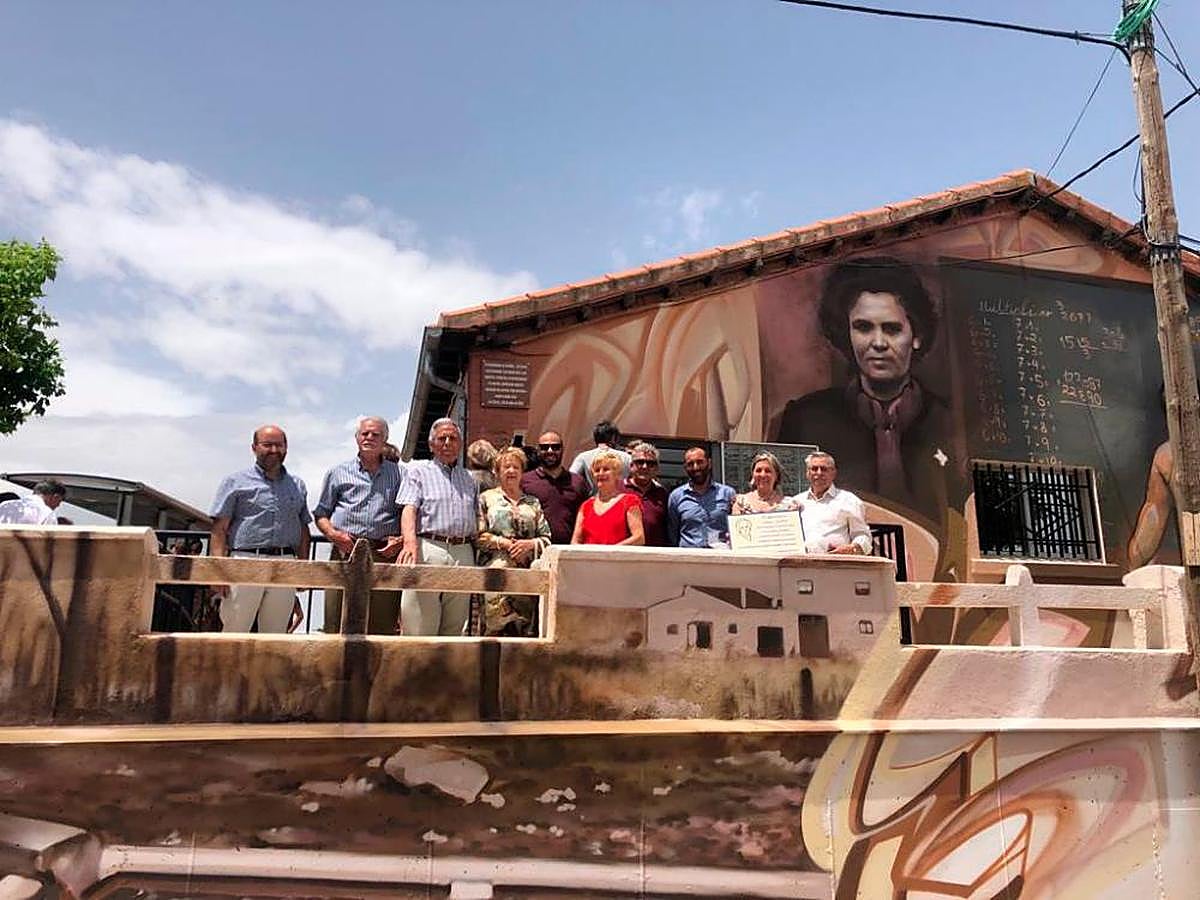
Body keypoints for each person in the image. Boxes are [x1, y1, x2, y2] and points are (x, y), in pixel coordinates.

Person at [774, 257, 950, 519]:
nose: (878, 343)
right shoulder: (805, 420)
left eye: (892, 329)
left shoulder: (949, 421)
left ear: (917, 336)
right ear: (847, 333)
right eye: (863, 327)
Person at [209, 425, 312, 633]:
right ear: (254, 447)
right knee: (235, 631)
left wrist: (302, 569)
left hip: (286, 565)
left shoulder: (297, 485)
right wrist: (217, 572)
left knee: (276, 635)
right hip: (244, 561)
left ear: (286, 448)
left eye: (279, 445)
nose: (273, 450)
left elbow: (303, 530)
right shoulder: (234, 482)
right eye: (267, 445)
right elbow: (219, 529)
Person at [313, 416, 406, 634]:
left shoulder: (400, 474)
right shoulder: (337, 472)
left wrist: (401, 539)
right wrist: (335, 536)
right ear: (357, 438)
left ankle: (376, 669)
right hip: (346, 550)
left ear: (385, 440)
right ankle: (336, 669)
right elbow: (321, 514)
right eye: (365, 434)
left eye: (376, 435)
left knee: (382, 625)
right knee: (335, 619)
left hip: (384, 553)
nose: (370, 438)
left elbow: (408, 514)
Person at [397, 418, 478, 635]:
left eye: (453, 438)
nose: (448, 443)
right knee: (419, 622)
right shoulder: (417, 472)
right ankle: (417, 668)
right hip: (429, 547)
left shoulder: (469, 478)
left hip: (463, 551)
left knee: (457, 624)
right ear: (432, 444)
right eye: (442, 438)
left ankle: (447, 669)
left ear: (460, 443)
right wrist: (410, 543)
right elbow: (409, 509)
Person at [476, 445, 553, 635]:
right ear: (497, 471)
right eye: (506, 467)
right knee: (495, 631)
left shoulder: (533, 502)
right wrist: (506, 544)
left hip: (526, 573)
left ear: (522, 472)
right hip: (496, 573)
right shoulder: (486, 499)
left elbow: (546, 538)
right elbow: (478, 536)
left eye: (516, 467)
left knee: (525, 630)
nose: (511, 471)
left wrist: (529, 545)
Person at [794, 452, 872, 555]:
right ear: (807, 473)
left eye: (824, 469)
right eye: (814, 469)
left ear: (833, 473)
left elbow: (863, 535)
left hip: (836, 564)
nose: (819, 473)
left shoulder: (849, 500)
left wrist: (852, 549)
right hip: (799, 564)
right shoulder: (796, 501)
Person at [520, 429, 589, 544]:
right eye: (544, 447)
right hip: (534, 550)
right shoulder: (525, 481)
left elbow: (585, 519)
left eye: (555, 447)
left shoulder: (578, 482)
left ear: (562, 450)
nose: (550, 451)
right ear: (538, 450)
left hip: (568, 550)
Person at [667, 446, 735, 548]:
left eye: (700, 462)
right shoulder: (676, 497)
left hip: (719, 558)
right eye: (690, 464)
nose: (696, 467)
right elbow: (673, 534)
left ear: (709, 463)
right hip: (689, 559)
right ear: (685, 467)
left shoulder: (727, 493)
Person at [571, 451, 644, 546]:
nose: (600, 473)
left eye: (606, 469)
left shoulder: (629, 501)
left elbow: (639, 538)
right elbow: (575, 541)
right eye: (597, 470)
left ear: (617, 475)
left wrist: (609, 553)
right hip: (589, 559)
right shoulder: (586, 506)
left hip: (617, 559)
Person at [623, 440, 670, 546]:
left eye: (650, 463)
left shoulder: (663, 495)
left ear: (657, 468)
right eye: (640, 462)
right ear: (631, 466)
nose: (645, 467)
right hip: (624, 557)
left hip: (654, 558)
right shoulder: (619, 491)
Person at [569, 420, 632, 493]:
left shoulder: (583, 457)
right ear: (613, 438)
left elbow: (572, 477)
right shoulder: (626, 457)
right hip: (621, 499)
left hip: (595, 499)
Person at [731, 451, 800, 515]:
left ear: (776, 475)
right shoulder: (741, 502)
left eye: (768, 471)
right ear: (753, 475)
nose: (763, 475)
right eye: (758, 470)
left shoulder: (789, 505)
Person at [0, 480, 67, 525]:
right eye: (59, 501)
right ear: (55, 497)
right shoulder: (47, 513)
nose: (58, 505)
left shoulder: (4, 505)